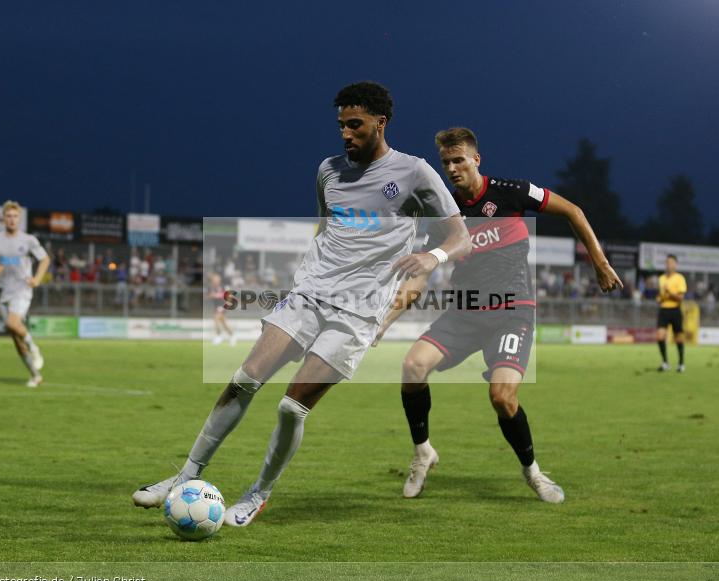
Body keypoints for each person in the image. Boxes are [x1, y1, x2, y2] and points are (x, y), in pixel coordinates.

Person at [133, 81, 471, 526]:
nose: (346, 134)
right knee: (242, 379)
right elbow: (326, 229)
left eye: (356, 125)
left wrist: (433, 255)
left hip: (358, 312)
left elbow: (460, 237)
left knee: (292, 407)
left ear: (380, 123)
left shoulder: (414, 172)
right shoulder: (328, 171)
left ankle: (258, 494)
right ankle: (184, 475)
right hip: (309, 295)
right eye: (341, 126)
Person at [373, 127, 622, 503]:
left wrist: (599, 263)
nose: (453, 168)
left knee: (502, 397)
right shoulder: (446, 218)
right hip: (465, 313)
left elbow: (573, 211)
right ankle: (423, 452)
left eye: (459, 160)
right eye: (446, 163)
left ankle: (533, 473)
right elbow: (418, 278)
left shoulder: (513, 192)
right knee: (412, 367)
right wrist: (384, 322)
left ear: (476, 159)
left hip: (511, 312)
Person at [0, 200, 51, 387]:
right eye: (9, 216)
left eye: (15, 216)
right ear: (3, 219)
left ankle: (34, 347)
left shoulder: (28, 240)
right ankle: (35, 375)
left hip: (22, 289)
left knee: (12, 323)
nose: (12, 219)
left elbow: (45, 259)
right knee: (15, 337)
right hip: (3, 292)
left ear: (20, 219)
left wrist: (37, 279)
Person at [656, 254, 687, 372]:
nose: (668, 265)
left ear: (675, 264)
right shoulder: (661, 279)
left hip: (675, 309)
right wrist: (659, 298)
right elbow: (660, 296)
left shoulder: (680, 278)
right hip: (664, 309)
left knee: (679, 337)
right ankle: (665, 363)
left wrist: (670, 293)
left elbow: (680, 297)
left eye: (670, 262)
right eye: (667, 262)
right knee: (660, 335)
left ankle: (681, 363)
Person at [207, 273, 236, 346]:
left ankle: (218, 336)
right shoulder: (211, 287)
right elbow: (208, 296)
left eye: (217, 279)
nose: (215, 281)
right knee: (224, 323)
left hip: (223, 305)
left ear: (219, 280)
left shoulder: (224, 286)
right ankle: (232, 335)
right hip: (216, 306)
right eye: (214, 280)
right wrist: (213, 295)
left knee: (216, 318)